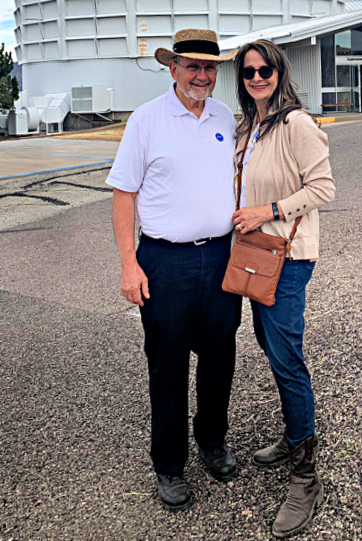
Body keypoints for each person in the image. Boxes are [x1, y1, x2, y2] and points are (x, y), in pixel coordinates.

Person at [106, 28, 242, 511]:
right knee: (167, 366)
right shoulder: (146, 120)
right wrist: (129, 264)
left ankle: (212, 441)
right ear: (173, 69)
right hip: (166, 260)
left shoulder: (225, 116)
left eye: (210, 67)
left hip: (222, 257)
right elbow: (124, 194)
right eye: (192, 66)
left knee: (220, 357)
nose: (202, 75)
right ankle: (168, 464)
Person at [231, 39, 335, 539]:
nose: (257, 77)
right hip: (256, 256)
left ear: (280, 70)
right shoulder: (248, 127)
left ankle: (305, 474)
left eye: (264, 69)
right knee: (273, 352)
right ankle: (294, 436)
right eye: (249, 71)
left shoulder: (296, 124)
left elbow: (324, 189)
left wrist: (267, 211)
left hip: (288, 258)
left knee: (288, 359)